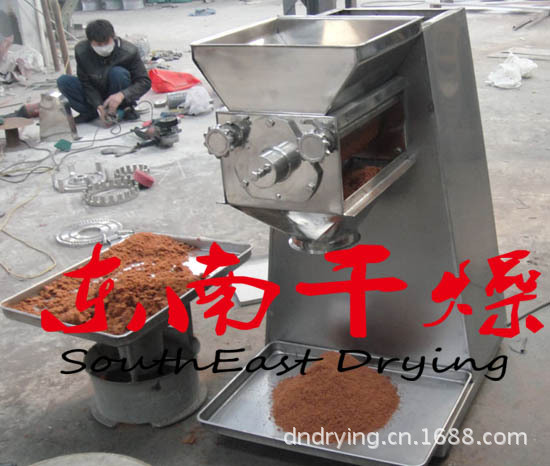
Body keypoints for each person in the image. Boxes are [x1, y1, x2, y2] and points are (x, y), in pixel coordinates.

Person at [57, 19, 151, 125]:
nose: (103, 47)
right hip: (95, 91)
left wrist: (122, 95)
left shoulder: (129, 51)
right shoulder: (81, 51)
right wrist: (98, 105)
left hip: (118, 90)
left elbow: (144, 82)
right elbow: (85, 82)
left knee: (118, 73)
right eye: (98, 44)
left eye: (106, 43)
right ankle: (92, 112)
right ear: (90, 42)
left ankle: (122, 109)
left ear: (113, 37)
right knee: (63, 81)